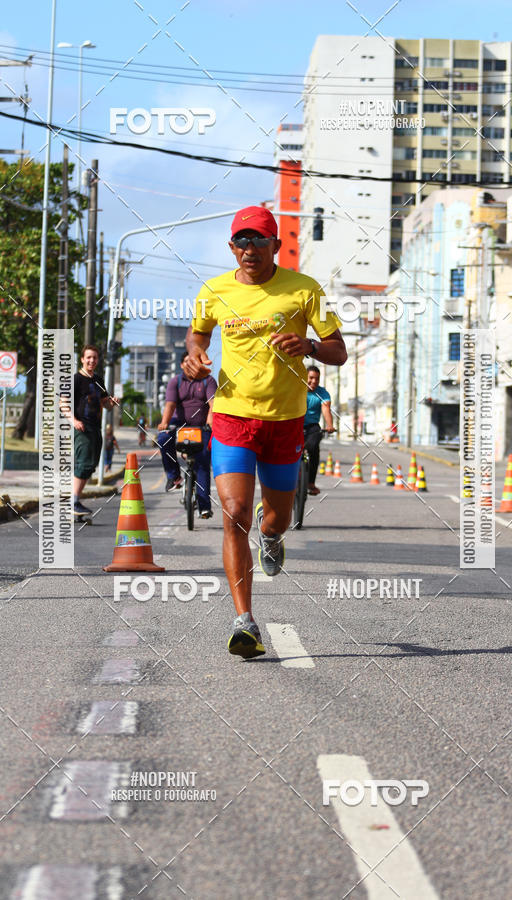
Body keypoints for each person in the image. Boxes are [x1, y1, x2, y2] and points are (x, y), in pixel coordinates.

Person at [184, 205, 346, 659]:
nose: (249, 248)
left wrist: (310, 345)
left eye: (259, 240)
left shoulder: (305, 290)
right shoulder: (213, 291)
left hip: (286, 420)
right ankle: (244, 622)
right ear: (231, 247)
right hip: (233, 416)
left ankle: (271, 534)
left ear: (276, 245)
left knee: (273, 517)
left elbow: (340, 351)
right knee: (233, 512)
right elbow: (197, 336)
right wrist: (195, 356)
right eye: (242, 241)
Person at [156, 351, 217, 518]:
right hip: (180, 425)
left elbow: (213, 403)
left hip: (201, 427)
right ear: (182, 365)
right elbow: (169, 405)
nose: (190, 365)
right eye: (186, 362)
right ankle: (174, 477)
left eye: (194, 362)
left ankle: (204, 507)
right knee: (163, 438)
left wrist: (211, 419)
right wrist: (164, 423)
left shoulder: (208, 380)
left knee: (203, 461)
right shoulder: (175, 382)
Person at [64, 344, 118, 515]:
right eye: (88, 357)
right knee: (84, 463)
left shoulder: (98, 380)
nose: (91, 360)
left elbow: (105, 404)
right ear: (82, 359)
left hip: (95, 427)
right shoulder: (76, 379)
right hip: (82, 427)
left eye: (94, 357)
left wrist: (113, 402)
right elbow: (63, 403)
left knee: (91, 464)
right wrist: (74, 421)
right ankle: (73, 501)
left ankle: (76, 501)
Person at [304, 365, 335, 495]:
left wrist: (329, 425)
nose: (314, 382)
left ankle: (311, 483)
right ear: (305, 377)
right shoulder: (297, 389)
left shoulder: (322, 393)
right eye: (311, 378)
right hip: (295, 423)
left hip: (312, 426)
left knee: (313, 448)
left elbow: (325, 409)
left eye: (317, 379)